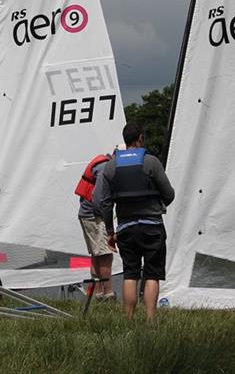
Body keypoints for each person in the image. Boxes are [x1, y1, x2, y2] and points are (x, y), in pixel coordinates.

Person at [98, 122, 175, 320]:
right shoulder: (151, 162)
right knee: (152, 274)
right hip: (152, 226)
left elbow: (105, 203)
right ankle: (150, 320)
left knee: (130, 273)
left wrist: (110, 231)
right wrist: (157, 204)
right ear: (140, 138)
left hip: (126, 228)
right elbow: (169, 193)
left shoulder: (111, 166)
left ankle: (128, 319)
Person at [76, 150, 116, 301]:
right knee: (105, 254)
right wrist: (107, 219)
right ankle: (108, 294)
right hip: (94, 216)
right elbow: (99, 197)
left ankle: (99, 293)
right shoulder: (105, 167)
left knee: (96, 254)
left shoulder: (104, 164)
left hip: (87, 214)